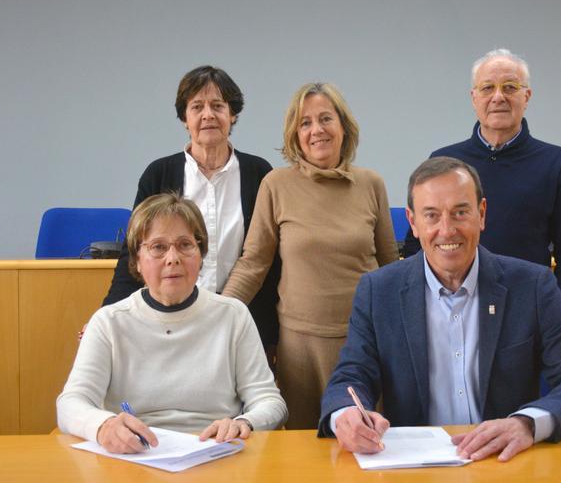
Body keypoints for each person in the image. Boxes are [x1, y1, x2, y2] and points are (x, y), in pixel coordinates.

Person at [320, 157, 561, 462]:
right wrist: (346, 414)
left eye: (460, 213)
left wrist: (526, 424)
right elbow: (350, 377)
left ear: (481, 214)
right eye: (431, 216)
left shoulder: (532, 286)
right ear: (413, 223)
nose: (447, 231)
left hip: (503, 462)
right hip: (414, 466)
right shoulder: (379, 291)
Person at [222, 83, 398, 429]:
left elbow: (390, 265)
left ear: (343, 126)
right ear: (295, 134)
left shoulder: (371, 184)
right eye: (305, 123)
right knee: (303, 445)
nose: (316, 130)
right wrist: (216, 316)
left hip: (363, 343)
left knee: (364, 442)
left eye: (325, 119)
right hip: (299, 349)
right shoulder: (276, 185)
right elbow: (253, 264)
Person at [58, 192, 287, 454]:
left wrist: (244, 423)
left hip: (215, 452)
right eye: (158, 247)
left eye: (185, 245)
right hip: (135, 455)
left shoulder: (233, 315)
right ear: (137, 261)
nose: (173, 258)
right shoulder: (109, 322)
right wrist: (103, 426)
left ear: (201, 254)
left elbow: (270, 401)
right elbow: (70, 403)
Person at [403, 49, 561, 320]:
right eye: (488, 87)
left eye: (510, 87)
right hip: (449, 311)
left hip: (525, 311)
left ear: (527, 97)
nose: (498, 97)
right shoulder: (444, 162)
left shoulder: (557, 163)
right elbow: (416, 245)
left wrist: (558, 316)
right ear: (474, 98)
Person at [102, 65, 280, 352]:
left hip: (245, 322)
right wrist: (106, 317)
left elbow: (268, 258)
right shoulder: (159, 174)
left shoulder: (260, 174)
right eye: (197, 107)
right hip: (170, 321)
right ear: (185, 118)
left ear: (232, 114)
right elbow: (134, 252)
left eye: (218, 106)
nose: (208, 115)